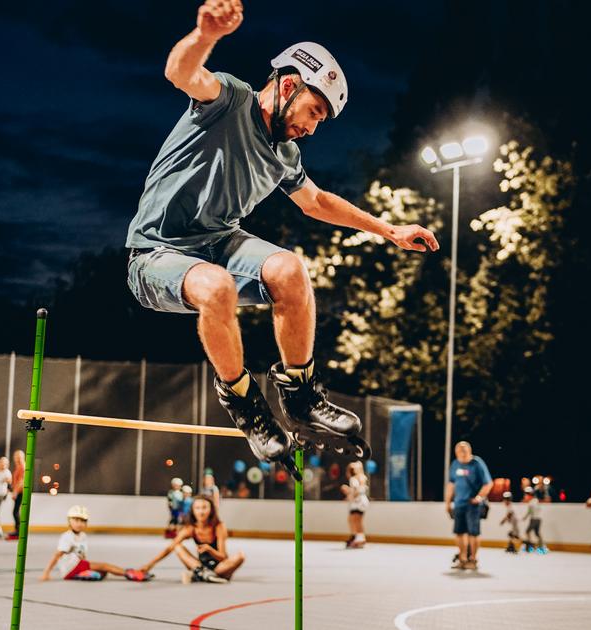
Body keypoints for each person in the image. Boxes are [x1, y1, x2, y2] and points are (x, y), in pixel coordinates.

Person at [125, 0, 439, 471]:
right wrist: (206, 34)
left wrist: (388, 229)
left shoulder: (285, 154)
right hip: (155, 253)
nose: (311, 128)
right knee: (217, 286)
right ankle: (244, 402)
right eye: (312, 112)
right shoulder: (228, 100)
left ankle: (300, 393)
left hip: (219, 241)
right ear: (288, 85)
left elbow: (316, 202)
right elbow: (181, 71)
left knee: (290, 269)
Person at [139, 495, 244, 584]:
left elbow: (223, 557)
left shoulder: (219, 526)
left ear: (211, 510)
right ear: (193, 511)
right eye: (197, 508)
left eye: (204, 508)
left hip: (219, 567)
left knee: (240, 556)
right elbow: (170, 548)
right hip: (199, 565)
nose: (201, 512)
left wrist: (209, 549)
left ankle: (203, 575)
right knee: (177, 546)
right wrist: (150, 565)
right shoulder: (190, 528)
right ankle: (205, 574)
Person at [39, 505, 152, 582]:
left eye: (83, 521)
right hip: (71, 568)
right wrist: (46, 572)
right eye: (76, 520)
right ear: (69, 521)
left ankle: (84, 574)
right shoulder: (67, 537)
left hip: (78, 565)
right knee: (105, 566)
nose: (79, 524)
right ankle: (130, 573)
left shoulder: (82, 536)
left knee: (103, 573)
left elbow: (82, 554)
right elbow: (57, 555)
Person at [444, 441, 492, 571]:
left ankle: (473, 560)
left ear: (469, 451)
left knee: (473, 533)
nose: (462, 452)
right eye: (459, 450)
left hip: (473, 505)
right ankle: (462, 559)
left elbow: (488, 483)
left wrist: (479, 497)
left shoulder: (477, 464)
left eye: (464, 450)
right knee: (459, 533)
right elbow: (451, 484)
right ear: (456, 453)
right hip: (459, 503)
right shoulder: (455, 464)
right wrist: (448, 502)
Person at [341, 461, 369, 549]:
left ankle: (359, 538)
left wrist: (351, 495)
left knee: (356, 520)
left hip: (358, 502)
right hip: (360, 501)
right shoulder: (360, 477)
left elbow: (356, 490)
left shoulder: (353, 479)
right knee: (355, 520)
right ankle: (358, 537)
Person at [499, 480, 522, 553]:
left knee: (515, 536)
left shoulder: (511, 507)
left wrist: (503, 520)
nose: (504, 502)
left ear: (508, 500)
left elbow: (509, 514)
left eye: (505, 500)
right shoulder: (510, 506)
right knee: (511, 535)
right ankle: (511, 546)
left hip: (515, 524)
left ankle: (517, 547)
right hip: (514, 524)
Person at [7, 449, 25, 540]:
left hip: (21, 492)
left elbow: (21, 482)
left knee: (15, 512)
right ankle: (18, 530)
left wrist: (15, 492)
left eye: (19, 457)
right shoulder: (18, 467)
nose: (17, 459)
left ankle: (19, 531)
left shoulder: (22, 467)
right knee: (16, 512)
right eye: (16, 457)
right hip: (18, 491)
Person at [522, 488, 547, 553]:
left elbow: (530, 511)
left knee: (527, 531)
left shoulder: (532, 502)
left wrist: (525, 517)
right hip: (538, 519)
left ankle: (530, 545)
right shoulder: (535, 500)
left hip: (534, 519)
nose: (525, 496)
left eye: (526, 495)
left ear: (530, 495)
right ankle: (541, 546)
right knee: (537, 533)